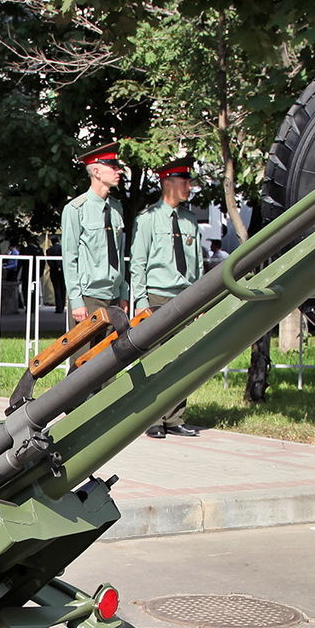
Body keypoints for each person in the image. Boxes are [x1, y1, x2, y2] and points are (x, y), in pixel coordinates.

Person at [131, 157, 203, 438]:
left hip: (184, 297)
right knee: (154, 360)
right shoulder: (147, 220)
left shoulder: (190, 220)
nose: (189, 187)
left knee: (182, 359)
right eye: (184, 182)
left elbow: (196, 265)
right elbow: (138, 264)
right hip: (157, 298)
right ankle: (152, 419)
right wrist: (140, 304)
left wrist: (200, 300)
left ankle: (174, 418)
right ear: (168, 183)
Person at [59, 142, 129, 328]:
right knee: (84, 357)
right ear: (97, 172)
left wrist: (123, 294)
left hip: (113, 295)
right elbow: (70, 257)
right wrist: (76, 300)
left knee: (113, 356)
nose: (118, 171)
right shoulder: (76, 209)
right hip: (89, 297)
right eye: (113, 167)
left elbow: (119, 255)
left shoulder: (116, 208)